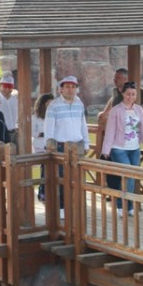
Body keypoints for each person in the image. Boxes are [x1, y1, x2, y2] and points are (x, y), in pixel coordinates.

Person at [101, 81, 143, 217]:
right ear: (123, 94)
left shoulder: (139, 110)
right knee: (128, 175)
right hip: (118, 148)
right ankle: (121, 206)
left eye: (133, 94)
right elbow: (110, 131)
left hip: (134, 148)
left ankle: (128, 206)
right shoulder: (115, 110)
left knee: (132, 176)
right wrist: (105, 150)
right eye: (128, 94)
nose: (130, 97)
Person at [44, 76, 90, 219]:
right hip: (61, 146)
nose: (70, 89)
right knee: (63, 179)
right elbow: (48, 128)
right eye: (67, 87)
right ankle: (62, 207)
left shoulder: (79, 104)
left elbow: (83, 125)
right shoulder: (54, 106)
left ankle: (77, 206)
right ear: (61, 89)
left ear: (76, 89)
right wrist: (49, 146)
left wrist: (87, 143)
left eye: (73, 87)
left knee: (78, 177)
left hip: (78, 146)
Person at [32, 93, 54, 202]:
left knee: (51, 170)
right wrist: (42, 134)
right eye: (49, 103)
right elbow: (31, 132)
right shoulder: (35, 117)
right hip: (40, 146)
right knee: (44, 170)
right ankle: (42, 192)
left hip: (52, 146)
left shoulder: (54, 115)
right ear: (43, 104)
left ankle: (50, 191)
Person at [0, 73, 18, 147]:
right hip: (0, 134)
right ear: (0, 85)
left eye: (10, 87)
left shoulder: (15, 100)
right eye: (5, 86)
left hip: (14, 133)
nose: (7, 89)